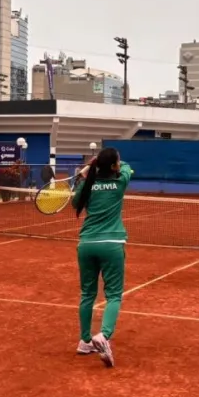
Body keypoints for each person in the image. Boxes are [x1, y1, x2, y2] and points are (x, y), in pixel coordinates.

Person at [71, 147, 134, 368]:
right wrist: (99, 163)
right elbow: (125, 166)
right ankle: (104, 336)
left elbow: (75, 203)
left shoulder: (87, 185)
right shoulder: (120, 182)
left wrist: (87, 172)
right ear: (114, 165)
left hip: (86, 244)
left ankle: (84, 340)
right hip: (112, 244)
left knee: (87, 293)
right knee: (114, 295)